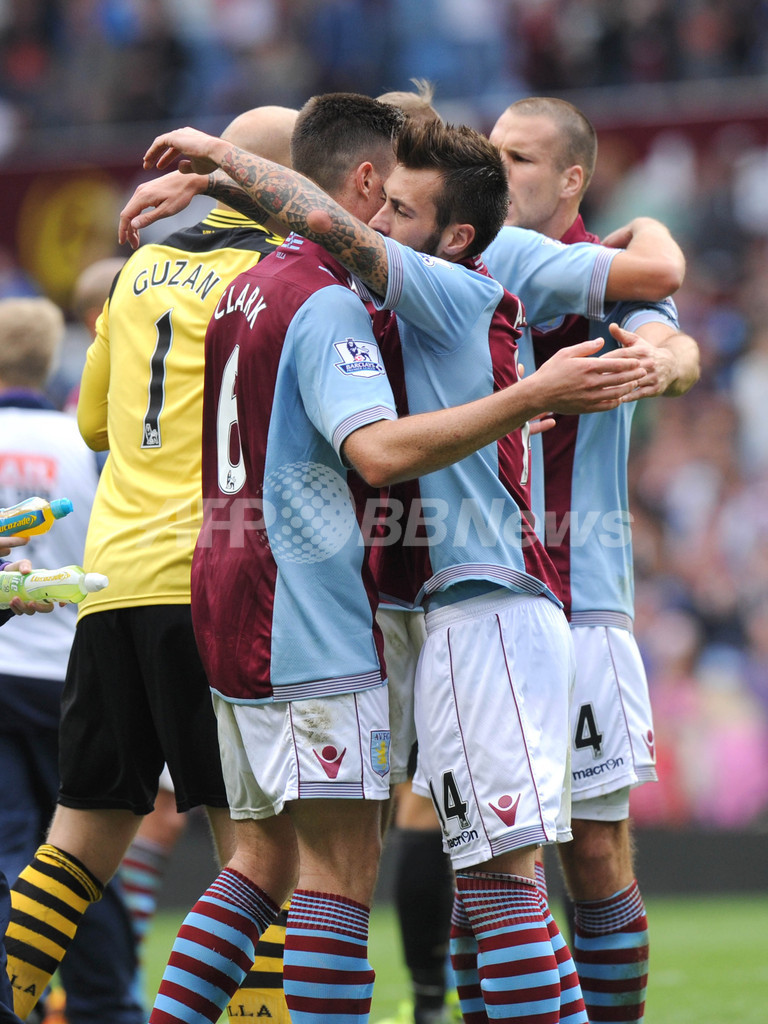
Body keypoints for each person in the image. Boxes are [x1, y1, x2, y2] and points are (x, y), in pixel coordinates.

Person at [122, 99, 671, 1024]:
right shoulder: (347, 292)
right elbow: (329, 216)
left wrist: (220, 163)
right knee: (478, 882)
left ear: (455, 237)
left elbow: (332, 220)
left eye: (403, 212)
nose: (379, 221)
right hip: (405, 611)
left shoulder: (449, 288)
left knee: (492, 882)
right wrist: (222, 179)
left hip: (485, 606)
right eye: (381, 201)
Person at [1, 107, 299, 1024]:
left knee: (76, 845)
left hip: (112, 589)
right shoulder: (283, 276)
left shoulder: (136, 273)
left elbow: (95, 424)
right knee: (261, 855)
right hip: (216, 586)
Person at [485, 96, 700, 1024]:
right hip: (478, 594)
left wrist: (665, 359)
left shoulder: (601, 270)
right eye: (491, 151)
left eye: (520, 157)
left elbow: (670, 338)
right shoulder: (478, 252)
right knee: (487, 855)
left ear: (572, 177)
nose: (498, 170)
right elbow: (664, 285)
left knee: (596, 852)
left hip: (584, 597)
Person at [0, 296, 144, 1024]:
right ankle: (106, 1004)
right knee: (82, 853)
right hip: (72, 671)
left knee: (9, 849)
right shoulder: (87, 443)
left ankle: (15, 1000)